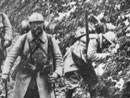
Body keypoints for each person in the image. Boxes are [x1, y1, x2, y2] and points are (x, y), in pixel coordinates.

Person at [2, 12, 63, 98]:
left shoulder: (50, 40)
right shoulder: (23, 39)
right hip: (24, 78)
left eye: (39, 24)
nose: (36, 28)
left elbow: (59, 60)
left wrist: (56, 74)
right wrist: (5, 72)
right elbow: (11, 56)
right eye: (34, 25)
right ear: (29, 26)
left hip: (44, 80)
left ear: (44, 25)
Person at [63, 26, 119, 98]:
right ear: (105, 40)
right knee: (72, 84)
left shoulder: (98, 42)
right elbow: (91, 55)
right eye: (108, 44)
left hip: (83, 61)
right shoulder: (94, 40)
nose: (107, 46)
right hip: (72, 59)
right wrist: (106, 56)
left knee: (93, 81)